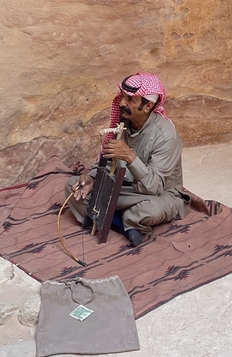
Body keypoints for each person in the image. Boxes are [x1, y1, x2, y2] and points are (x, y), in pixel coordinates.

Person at [65, 73, 187, 246]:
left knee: (150, 210)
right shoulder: (123, 124)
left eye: (130, 99)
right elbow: (108, 162)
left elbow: (154, 186)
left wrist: (129, 157)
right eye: (122, 97)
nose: (122, 103)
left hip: (159, 194)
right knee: (74, 187)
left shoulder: (166, 136)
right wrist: (92, 178)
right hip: (125, 188)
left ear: (148, 106)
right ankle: (124, 224)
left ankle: (107, 215)